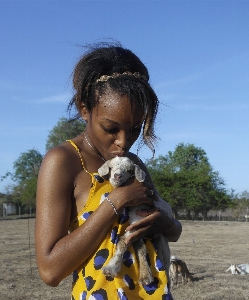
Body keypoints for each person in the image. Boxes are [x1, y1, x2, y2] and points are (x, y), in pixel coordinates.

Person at [35, 44, 182, 300]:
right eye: (110, 128)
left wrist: (164, 222)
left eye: (136, 128)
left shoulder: (132, 164)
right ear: (84, 108)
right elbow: (50, 271)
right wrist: (116, 201)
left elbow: (174, 231)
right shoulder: (63, 161)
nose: (124, 142)